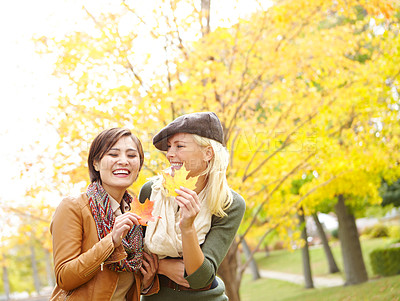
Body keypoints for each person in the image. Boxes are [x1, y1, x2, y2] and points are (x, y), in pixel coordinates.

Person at [139, 112, 246, 300]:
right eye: (169, 147)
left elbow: (200, 278)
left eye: (179, 146)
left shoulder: (229, 203)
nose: (170, 154)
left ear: (208, 152)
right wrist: (164, 267)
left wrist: (187, 227)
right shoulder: (151, 191)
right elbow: (131, 254)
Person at [50, 128, 159, 301]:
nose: (123, 161)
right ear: (96, 163)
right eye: (113, 154)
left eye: (131, 156)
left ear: (138, 166)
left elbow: (122, 280)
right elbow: (64, 277)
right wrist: (111, 241)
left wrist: (146, 282)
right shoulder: (73, 207)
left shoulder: (135, 214)